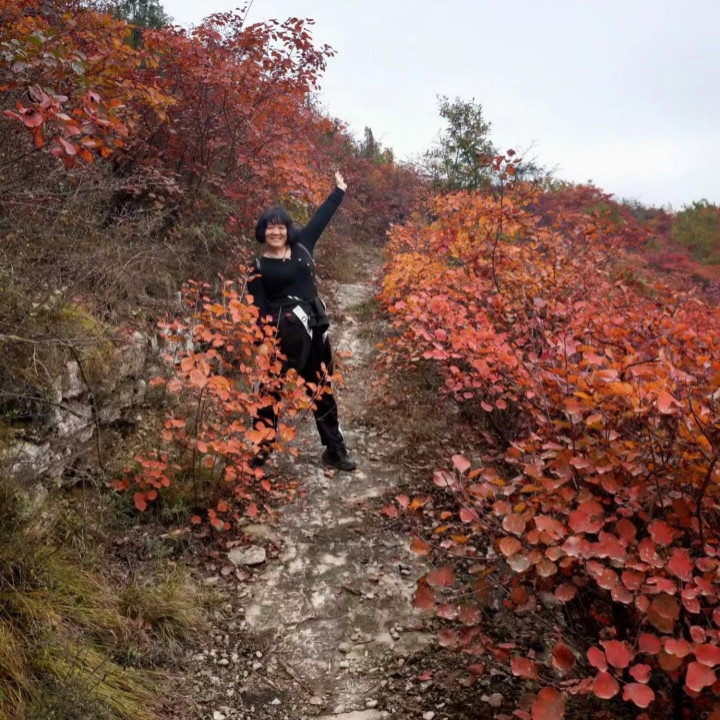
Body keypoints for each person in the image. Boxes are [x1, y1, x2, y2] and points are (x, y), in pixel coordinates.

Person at [247, 171, 357, 472]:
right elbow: (257, 308)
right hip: (280, 337)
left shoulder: (303, 245)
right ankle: (261, 452)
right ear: (262, 232)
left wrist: (339, 190)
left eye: (280, 227)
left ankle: (335, 450)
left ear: (288, 229)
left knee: (321, 388)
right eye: (270, 228)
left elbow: (322, 216)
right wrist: (261, 344)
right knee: (269, 393)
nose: (276, 232)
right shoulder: (257, 267)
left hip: (312, 330)